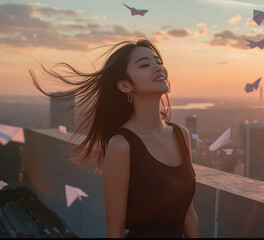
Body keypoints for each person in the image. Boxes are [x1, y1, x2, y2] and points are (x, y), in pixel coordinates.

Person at [29, 37, 200, 238]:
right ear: (125, 85)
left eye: (158, 62)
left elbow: (188, 213)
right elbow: (115, 230)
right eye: (145, 64)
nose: (158, 68)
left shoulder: (181, 135)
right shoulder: (122, 145)